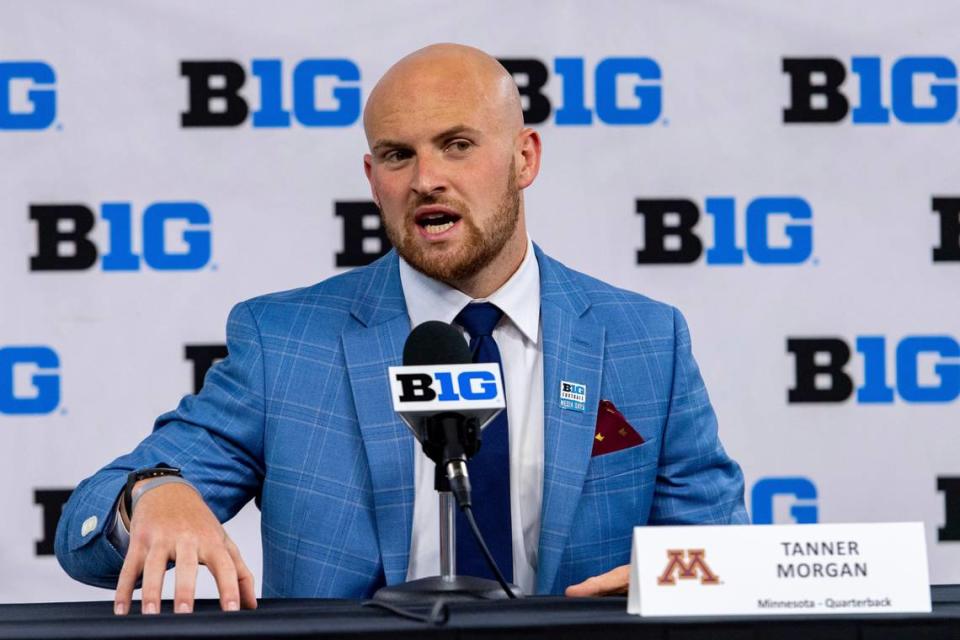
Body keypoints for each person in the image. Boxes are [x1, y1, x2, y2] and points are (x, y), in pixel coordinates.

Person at [55, 43, 748, 615]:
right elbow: (83, 531)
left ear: (525, 158)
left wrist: (680, 583)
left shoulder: (646, 341)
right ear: (372, 175)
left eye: (457, 145)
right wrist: (154, 493)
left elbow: (725, 556)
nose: (427, 179)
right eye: (397, 155)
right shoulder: (285, 343)